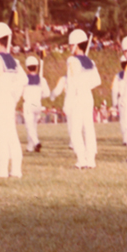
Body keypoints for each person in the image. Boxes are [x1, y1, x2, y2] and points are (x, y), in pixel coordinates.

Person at [51, 29, 101, 168]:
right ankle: (91, 159)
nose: (69, 48)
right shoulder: (90, 61)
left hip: (77, 97)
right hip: (87, 96)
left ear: (77, 45)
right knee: (89, 129)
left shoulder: (72, 61)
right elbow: (97, 81)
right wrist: (85, 84)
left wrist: (68, 103)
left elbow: (72, 83)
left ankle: (81, 159)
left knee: (75, 130)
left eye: (71, 45)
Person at [0, 22, 25, 178]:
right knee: (11, 135)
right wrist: (14, 96)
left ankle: (2, 170)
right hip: (9, 102)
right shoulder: (14, 62)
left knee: (1, 137)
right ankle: (16, 169)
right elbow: (23, 80)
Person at [21, 54, 51, 153]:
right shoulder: (42, 80)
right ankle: (30, 147)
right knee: (33, 127)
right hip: (37, 104)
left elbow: (19, 92)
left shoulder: (23, 79)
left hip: (28, 104)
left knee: (29, 126)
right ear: (37, 67)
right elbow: (47, 93)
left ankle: (36, 142)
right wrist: (39, 95)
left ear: (27, 68)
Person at [110, 54, 127, 146]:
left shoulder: (118, 76)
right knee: (125, 120)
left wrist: (115, 103)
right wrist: (115, 103)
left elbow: (114, 90)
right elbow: (114, 90)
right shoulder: (118, 76)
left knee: (126, 120)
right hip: (125, 99)